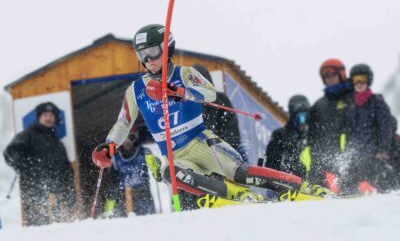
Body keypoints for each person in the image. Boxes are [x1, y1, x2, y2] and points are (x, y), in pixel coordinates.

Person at [91, 24, 331, 207]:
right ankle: (234, 196)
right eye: (142, 55)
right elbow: (123, 122)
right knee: (169, 173)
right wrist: (110, 145)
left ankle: (304, 187)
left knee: (239, 172)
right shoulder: (136, 90)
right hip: (173, 153)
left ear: (167, 49)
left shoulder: (184, 74)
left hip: (200, 143)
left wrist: (179, 91)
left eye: (153, 52)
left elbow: (209, 94)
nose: (148, 60)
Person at [4, 102, 76, 226]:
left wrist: (70, 196)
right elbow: (10, 152)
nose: (49, 118)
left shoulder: (58, 144)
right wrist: (24, 164)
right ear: (39, 118)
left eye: (51, 115)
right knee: (39, 229)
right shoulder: (27, 135)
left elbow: (67, 171)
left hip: (57, 195)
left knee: (60, 230)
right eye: (45, 115)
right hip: (35, 193)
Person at [342, 64, 397, 194]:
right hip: (358, 155)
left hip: (375, 155)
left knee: (381, 182)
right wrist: (349, 151)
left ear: (369, 80)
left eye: (363, 79)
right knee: (346, 181)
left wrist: (383, 150)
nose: (359, 83)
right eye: (356, 80)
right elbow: (350, 133)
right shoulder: (351, 106)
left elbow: (386, 127)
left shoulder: (376, 102)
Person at [308, 59, 353, 189]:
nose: (329, 78)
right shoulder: (319, 105)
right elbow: (310, 135)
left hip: (349, 156)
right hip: (322, 158)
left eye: (332, 74)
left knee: (348, 185)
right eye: (325, 76)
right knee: (317, 186)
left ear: (341, 74)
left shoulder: (353, 98)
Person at [103, 126, 155, 217]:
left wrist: (155, 165)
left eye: (131, 138)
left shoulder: (144, 153)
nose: (127, 142)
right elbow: (112, 189)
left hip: (143, 195)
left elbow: (157, 174)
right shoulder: (115, 158)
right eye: (124, 138)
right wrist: (108, 212)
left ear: (135, 138)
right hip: (124, 197)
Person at [192, 64, 241, 152]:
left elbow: (232, 135)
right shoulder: (186, 102)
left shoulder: (220, 99)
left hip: (223, 150)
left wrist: (216, 144)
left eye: (200, 80)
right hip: (194, 152)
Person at [265, 95, 312, 180]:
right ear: (293, 117)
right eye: (299, 117)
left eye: (306, 116)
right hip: (283, 184)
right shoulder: (280, 135)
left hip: (308, 188)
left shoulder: (312, 138)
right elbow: (271, 164)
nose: (302, 122)